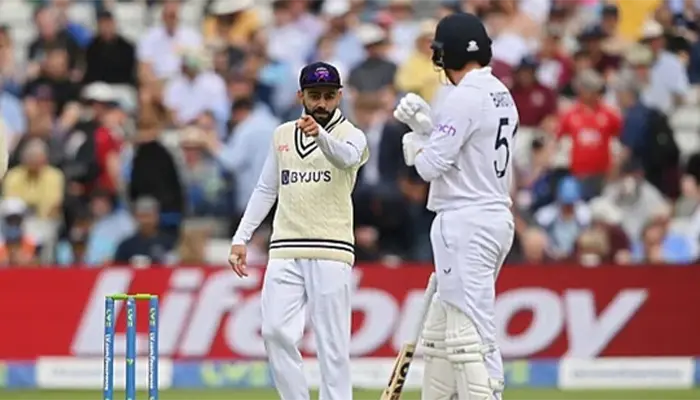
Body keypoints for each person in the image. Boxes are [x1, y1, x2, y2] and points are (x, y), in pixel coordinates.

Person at [227, 61, 369, 400]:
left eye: (329, 96)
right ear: (300, 95)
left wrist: (320, 135)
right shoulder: (281, 135)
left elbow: (346, 159)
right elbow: (266, 189)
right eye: (315, 95)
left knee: (332, 343)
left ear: (339, 96)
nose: (322, 104)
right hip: (285, 246)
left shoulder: (353, 135)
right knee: (275, 331)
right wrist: (240, 237)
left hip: (331, 248)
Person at [395, 13, 517, 400]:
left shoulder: (462, 96)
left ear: (444, 56)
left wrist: (417, 143)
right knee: (446, 333)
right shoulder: (501, 92)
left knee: (472, 334)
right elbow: (469, 153)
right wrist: (430, 130)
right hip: (494, 217)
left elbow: (430, 167)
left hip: (465, 222)